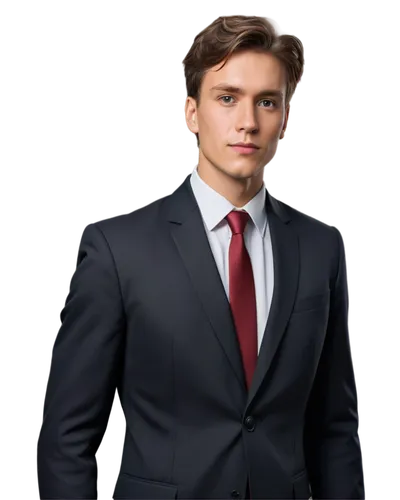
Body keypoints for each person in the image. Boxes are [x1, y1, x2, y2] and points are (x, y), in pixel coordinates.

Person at [35, 14, 366, 499]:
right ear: (189, 113)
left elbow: (336, 427)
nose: (248, 122)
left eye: (267, 102)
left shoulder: (321, 248)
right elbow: (70, 437)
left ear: (287, 120)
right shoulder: (117, 250)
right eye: (227, 97)